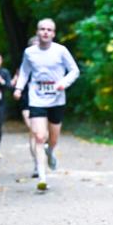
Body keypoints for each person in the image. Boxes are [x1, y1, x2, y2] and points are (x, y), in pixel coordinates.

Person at [13, 19, 80, 191]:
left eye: (49, 30)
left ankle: (50, 152)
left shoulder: (61, 51)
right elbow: (25, 72)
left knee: (53, 139)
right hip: (37, 99)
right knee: (39, 136)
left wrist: (63, 83)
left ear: (53, 33)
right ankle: (42, 176)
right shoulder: (29, 52)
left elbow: (74, 70)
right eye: (42, 29)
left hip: (57, 99)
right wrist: (19, 88)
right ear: (37, 32)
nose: (45, 32)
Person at [15, 35, 41, 174]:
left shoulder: (46, 62)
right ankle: (37, 164)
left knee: (42, 134)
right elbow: (18, 79)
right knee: (34, 132)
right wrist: (17, 88)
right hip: (27, 101)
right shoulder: (24, 65)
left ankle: (43, 153)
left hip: (43, 101)